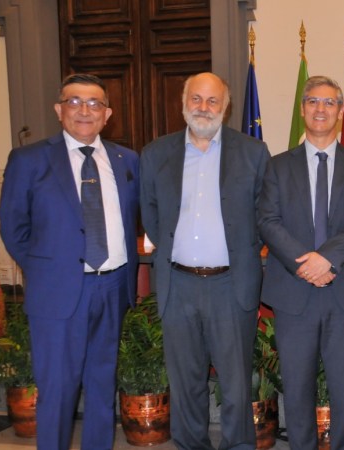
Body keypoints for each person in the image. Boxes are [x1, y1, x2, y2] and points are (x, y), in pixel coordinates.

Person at [0, 73, 139, 450]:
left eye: (94, 103)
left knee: (102, 386)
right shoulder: (29, 159)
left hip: (112, 287)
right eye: (74, 101)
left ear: (107, 114)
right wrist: (48, 271)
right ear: (58, 110)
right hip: (57, 293)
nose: (84, 110)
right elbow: (13, 227)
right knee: (57, 390)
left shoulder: (127, 160)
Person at [140, 72, 269, 450]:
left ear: (225, 107)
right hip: (177, 284)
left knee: (236, 384)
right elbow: (150, 213)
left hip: (231, 285)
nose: (203, 107)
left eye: (213, 101)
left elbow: (264, 216)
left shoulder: (253, 153)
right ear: (184, 102)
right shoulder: (156, 154)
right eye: (196, 98)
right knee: (185, 383)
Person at [258, 75, 344, 450]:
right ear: (302, 109)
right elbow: (267, 220)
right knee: (296, 388)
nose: (320, 109)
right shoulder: (277, 166)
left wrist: (326, 260)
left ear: (340, 111)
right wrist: (304, 265)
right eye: (313, 101)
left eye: (329, 102)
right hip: (293, 292)